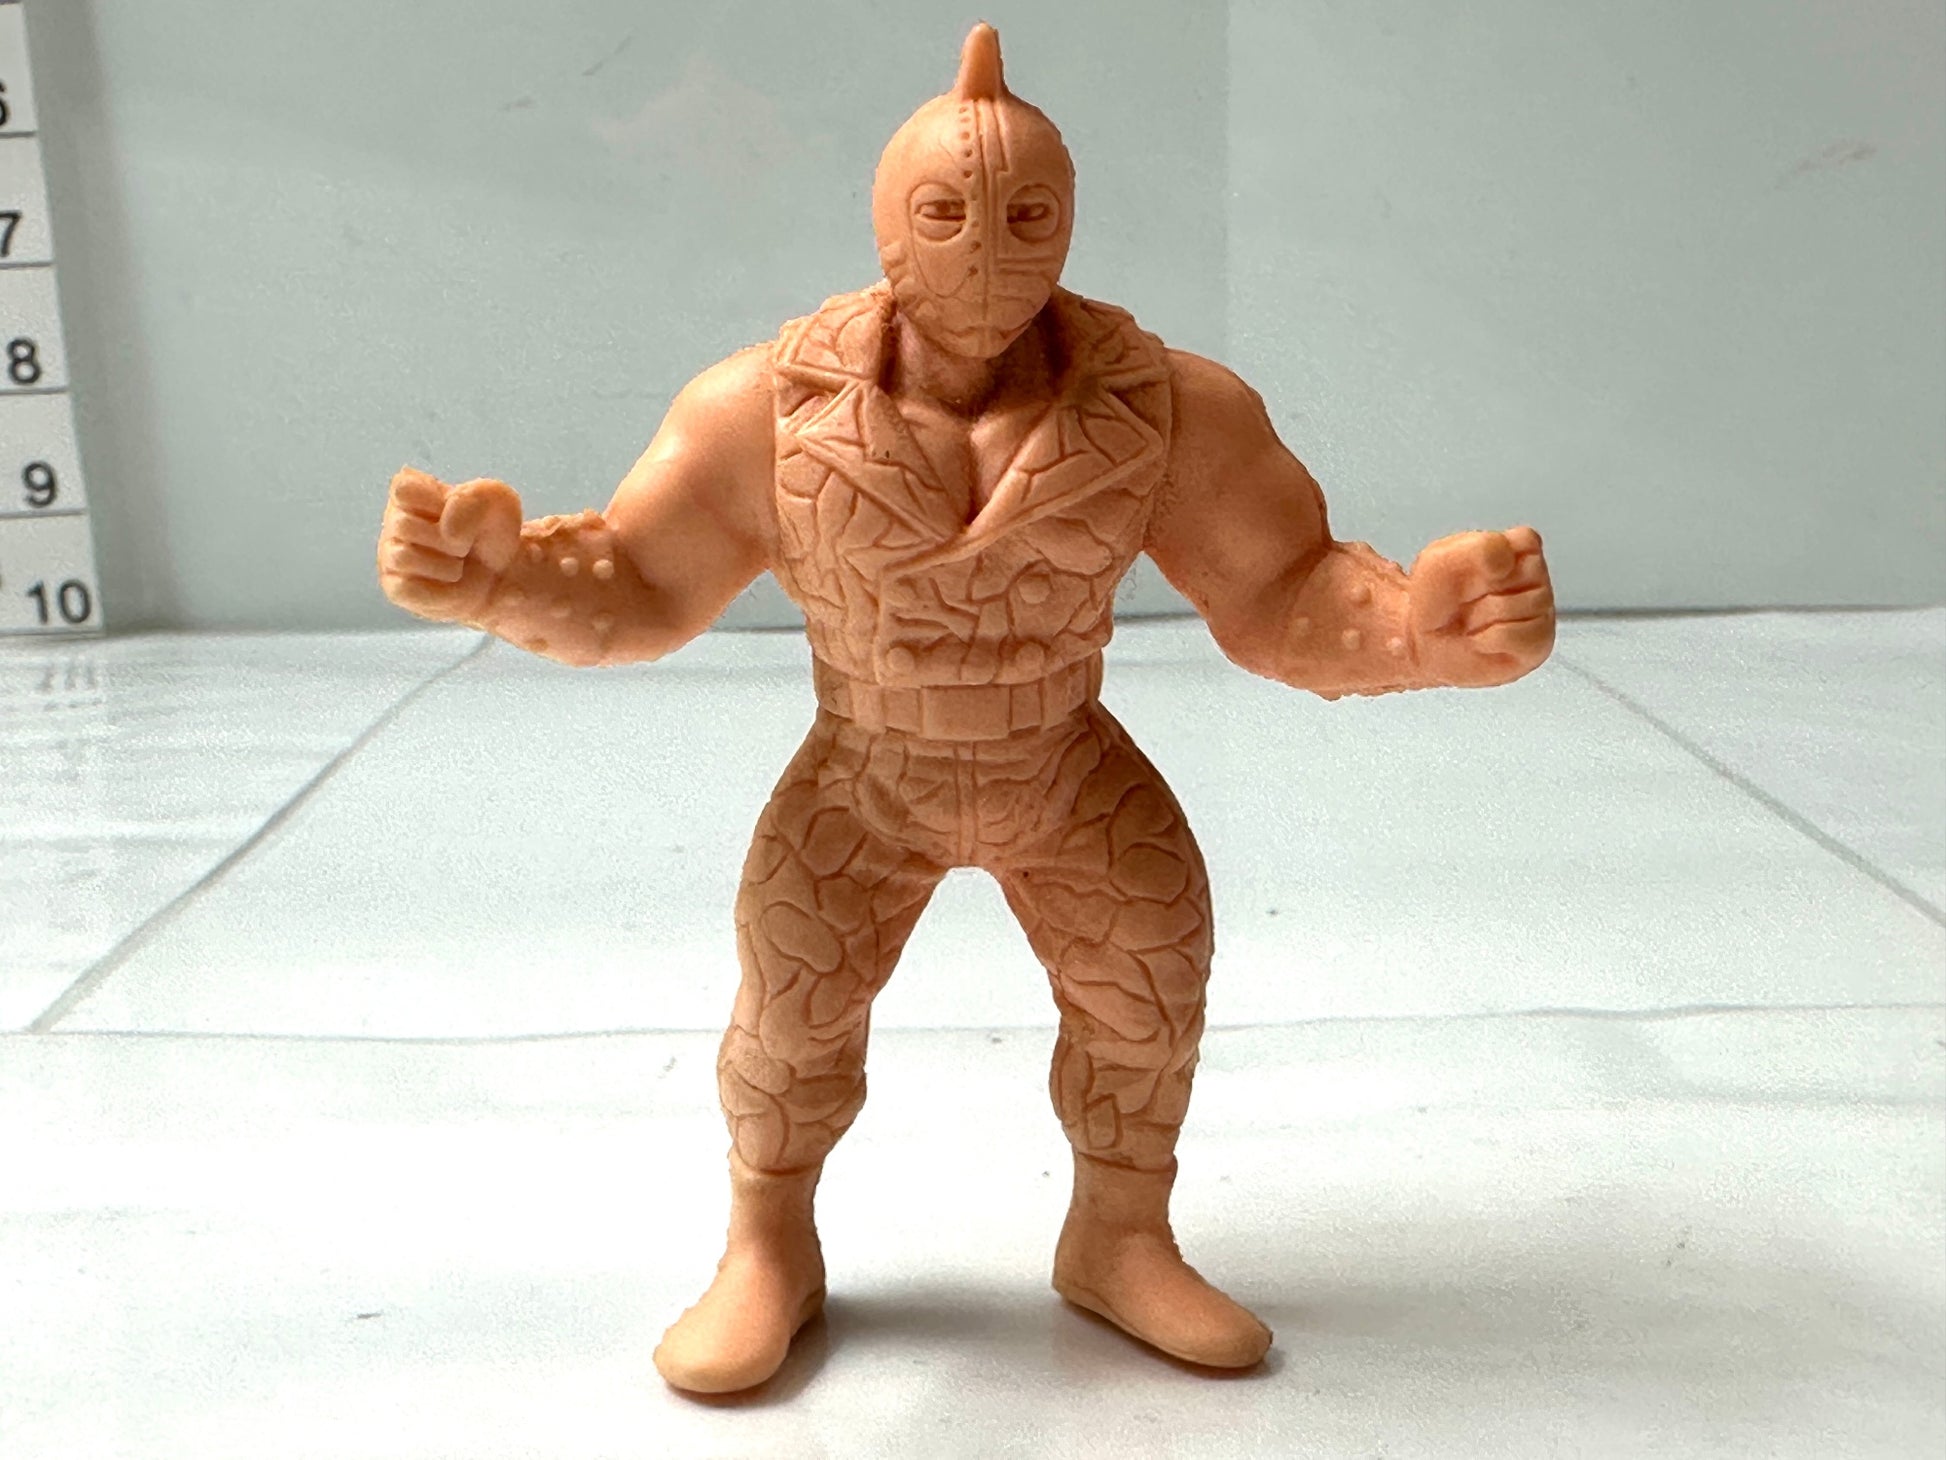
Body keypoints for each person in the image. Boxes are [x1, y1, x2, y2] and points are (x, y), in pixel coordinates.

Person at [378, 23, 1554, 1394]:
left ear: (1071, 224)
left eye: (1026, 215)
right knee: (792, 1010)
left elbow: (1281, 590)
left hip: (1059, 759)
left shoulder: (1165, 407)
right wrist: (501, 579)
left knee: (1149, 983)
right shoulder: (767, 410)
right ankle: (767, 1246)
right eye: (945, 212)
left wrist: (1420, 631)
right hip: (865, 771)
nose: (987, 247)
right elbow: (641, 584)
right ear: (887, 223)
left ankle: (1120, 1237)